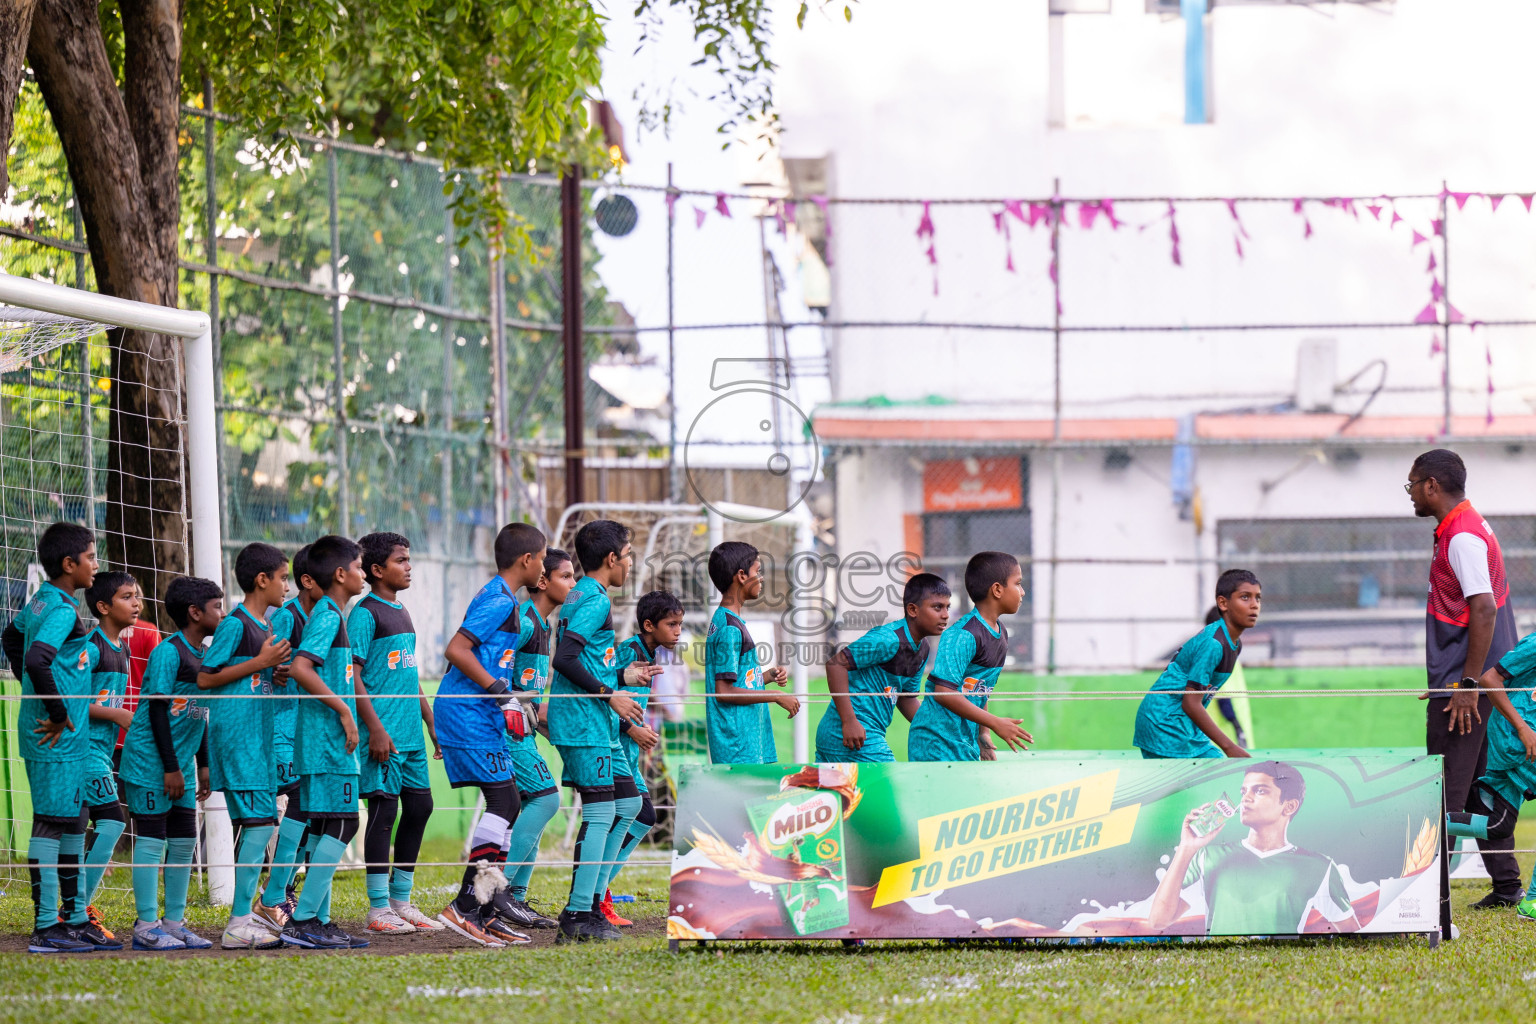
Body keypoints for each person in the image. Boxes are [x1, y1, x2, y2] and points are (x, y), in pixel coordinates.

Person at [1407, 448, 1523, 907]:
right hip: (1472, 682)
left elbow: (1484, 608)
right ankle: (1507, 886)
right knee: (1479, 787)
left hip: (1470, 689)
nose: (1411, 493)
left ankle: (1427, 900)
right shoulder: (1466, 524)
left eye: (1412, 484)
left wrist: (1465, 686)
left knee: (1445, 788)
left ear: (1432, 485)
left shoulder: (1462, 535)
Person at [431, 521, 548, 947]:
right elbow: (455, 650)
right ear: (527, 560)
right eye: (543, 558)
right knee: (504, 799)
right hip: (468, 714)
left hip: (481, 714)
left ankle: (485, 906)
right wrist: (502, 695)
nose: (545, 568)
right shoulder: (498, 600)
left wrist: (511, 700)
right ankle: (465, 906)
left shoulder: (502, 597)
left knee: (510, 800)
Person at [2, 522, 105, 953]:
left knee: (74, 820)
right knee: (49, 822)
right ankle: (47, 927)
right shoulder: (62, 610)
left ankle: (75, 918)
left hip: (61, 737)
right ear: (69, 564)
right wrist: (58, 712)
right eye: (92, 557)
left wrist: (34, 691)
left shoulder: (44, 599)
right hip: (54, 736)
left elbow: (10, 635)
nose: (96, 566)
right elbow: (36, 657)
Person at [548, 519, 650, 943]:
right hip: (583, 722)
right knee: (603, 812)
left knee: (630, 805)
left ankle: (591, 903)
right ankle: (578, 915)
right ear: (611, 560)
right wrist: (611, 693)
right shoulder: (594, 600)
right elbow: (565, 659)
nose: (630, 564)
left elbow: (585, 659)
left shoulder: (585, 595)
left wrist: (620, 673)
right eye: (628, 556)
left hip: (595, 723)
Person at [196, 542, 292, 949]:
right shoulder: (236, 624)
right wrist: (261, 664)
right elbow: (206, 677)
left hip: (257, 737)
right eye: (282, 578)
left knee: (260, 824)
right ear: (262, 580)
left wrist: (277, 674)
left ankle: (244, 917)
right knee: (258, 825)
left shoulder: (264, 626)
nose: (286, 586)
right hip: (238, 738)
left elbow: (254, 677)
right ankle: (238, 922)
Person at [118, 575, 221, 952]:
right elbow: (159, 712)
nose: (222, 613)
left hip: (183, 766)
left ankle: (174, 923)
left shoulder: (208, 655)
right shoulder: (169, 651)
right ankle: (146, 924)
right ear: (195, 613)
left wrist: (204, 764)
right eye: (217, 607)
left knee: (183, 842)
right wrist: (171, 767)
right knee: (151, 840)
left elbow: (200, 713)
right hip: (152, 763)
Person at [350, 531, 443, 934]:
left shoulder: (401, 612)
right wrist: (374, 727)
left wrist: (430, 719)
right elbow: (352, 676)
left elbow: (407, 676)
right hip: (384, 734)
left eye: (408, 559)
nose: (409, 567)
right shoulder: (364, 613)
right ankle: (377, 908)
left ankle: (401, 900)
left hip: (411, 734)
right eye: (401, 560)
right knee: (384, 811)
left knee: (420, 808)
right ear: (376, 570)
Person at [279, 534, 368, 950]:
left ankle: (317, 919)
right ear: (340, 574)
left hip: (326, 740)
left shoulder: (333, 612)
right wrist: (345, 711)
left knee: (329, 823)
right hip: (327, 741)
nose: (363, 573)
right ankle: (302, 920)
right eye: (359, 566)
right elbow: (300, 668)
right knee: (344, 822)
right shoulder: (328, 616)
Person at [1146, 761, 1356, 935]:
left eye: (1260, 791)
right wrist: (1186, 847)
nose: (1245, 798)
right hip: (1217, 974)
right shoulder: (1208, 856)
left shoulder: (1319, 867)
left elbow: (1353, 934)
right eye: (1244, 791)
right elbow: (1158, 921)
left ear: (1289, 806)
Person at [499, 547, 576, 928]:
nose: (573, 584)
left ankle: (515, 898)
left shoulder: (546, 626)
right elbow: (487, 667)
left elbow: (534, 698)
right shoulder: (525, 623)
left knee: (531, 805)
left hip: (524, 730)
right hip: (504, 729)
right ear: (542, 581)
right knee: (546, 799)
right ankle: (497, 892)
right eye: (566, 576)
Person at [1443, 628, 1536, 919]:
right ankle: (1532, 903)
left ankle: (1428, 822)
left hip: (1519, 741)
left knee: (1499, 826)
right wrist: (1523, 729)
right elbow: (1488, 680)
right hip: (1516, 740)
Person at [907, 552, 1032, 762]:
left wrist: (983, 734)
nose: (1023, 592)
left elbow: (981, 688)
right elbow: (943, 692)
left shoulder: (1001, 634)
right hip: (936, 744)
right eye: (1017, 583)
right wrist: (994, 722)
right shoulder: (964, 634)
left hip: (964, 742)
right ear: (997, 590)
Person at [600, 589, 677, 927]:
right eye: (671, 624)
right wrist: (629, 728)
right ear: (649, 624)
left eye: (680, 624)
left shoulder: (648, 655)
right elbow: (597, 695)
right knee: (628, 815)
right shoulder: (627, 653)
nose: (678, 631)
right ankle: (595, 895)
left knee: (644, 816)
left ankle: (598, 890)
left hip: (629, 755)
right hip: (610, 748)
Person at [816, 572, 951, 763]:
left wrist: (936, 730)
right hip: (850, 733)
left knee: (844, 793)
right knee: (891, 787)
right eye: (937, 607)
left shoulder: (923, 648)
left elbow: (907, 698)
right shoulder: (887, 639)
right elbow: (835, 665)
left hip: (863, 734)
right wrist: (849, 722)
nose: (945, 615)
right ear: (913, 610)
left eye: (947, 607)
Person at [1132, 570, 1261, 760]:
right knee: (1209, 780)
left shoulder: (1234, 644)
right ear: (1223, 603)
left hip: (1185, 725)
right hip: (1164, 723)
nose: (1254, 605)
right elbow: (1191, 703)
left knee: (1222, 777)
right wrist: (1229, 747)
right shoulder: (1213, 645)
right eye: (1245, 597)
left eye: (1258, 598)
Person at [256, 542, 318, 928]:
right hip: (278, 727)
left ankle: (285, 889)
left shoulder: (327, 616)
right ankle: (274, 894)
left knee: (311, 807)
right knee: (295, 800)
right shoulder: (287, 618)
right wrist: (277, 672)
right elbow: (258, 666)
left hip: (305, 728)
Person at [80, 571, 139, 940]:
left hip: (102, 751)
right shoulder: (91, 646)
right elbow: (70, 702)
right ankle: (77, 909)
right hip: (82, 750)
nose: (136, 603)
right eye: (126, 597)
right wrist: (116, 715)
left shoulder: (124, 648)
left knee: (86, 826)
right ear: (103, 606)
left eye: (137, 596)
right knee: (113, 822)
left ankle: (73, 907)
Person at [703, 541, 797, 765]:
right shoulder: (729, 628)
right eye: (758, 571)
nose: (762, 578)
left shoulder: (728, 621)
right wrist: (776, 696)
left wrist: (767, 677)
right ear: (742, 576)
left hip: (745, 745)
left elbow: (734, 680)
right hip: (738, 747)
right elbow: (724, 691)